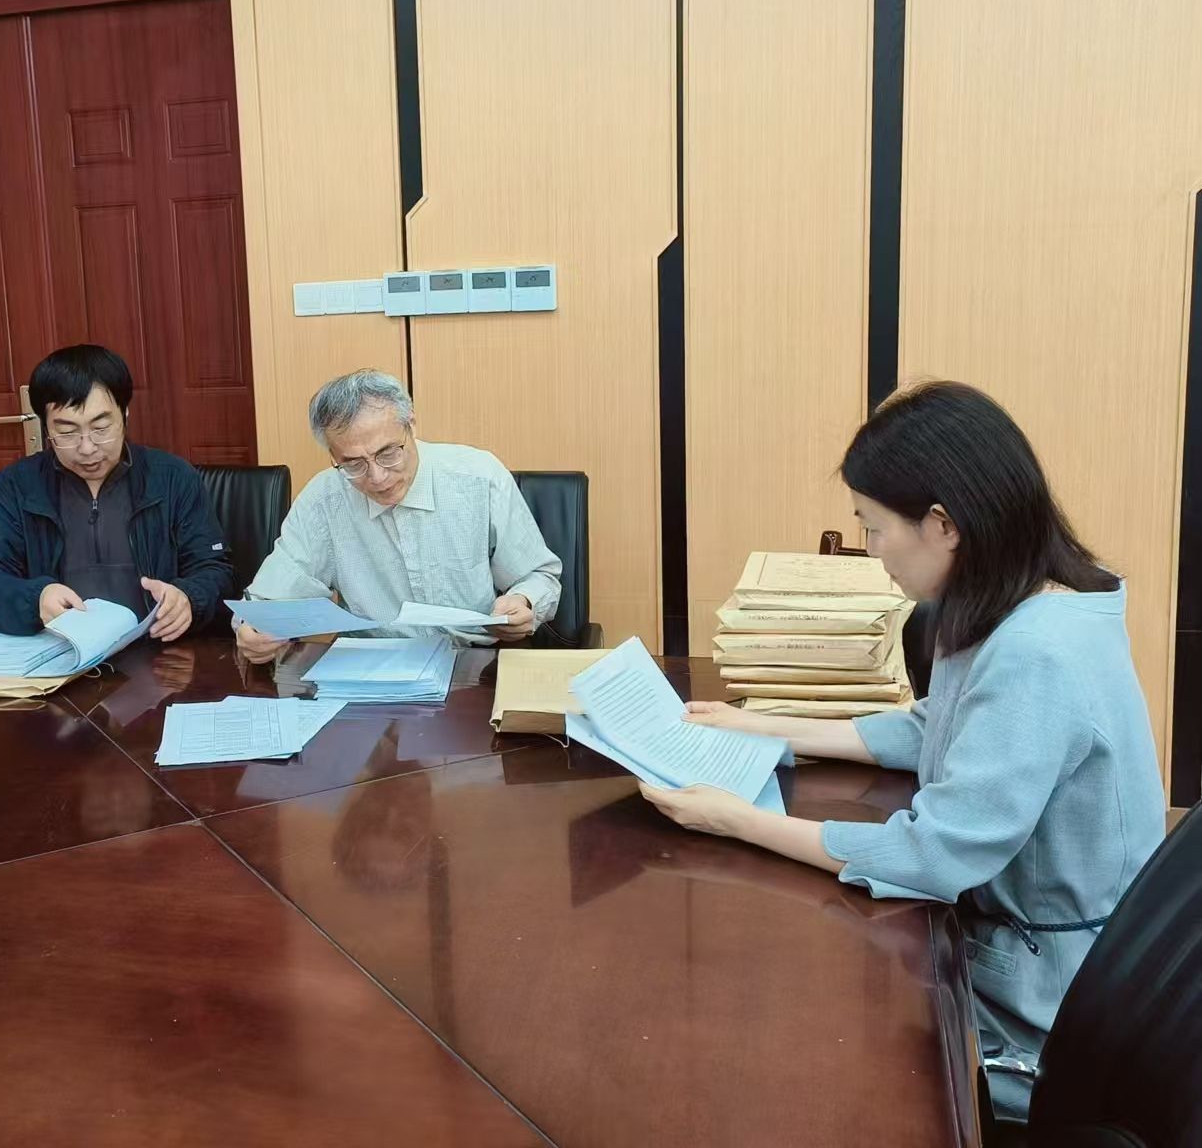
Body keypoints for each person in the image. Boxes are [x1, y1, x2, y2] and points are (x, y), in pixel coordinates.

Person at [637, 381, 1166, 1121]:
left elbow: (932, 855)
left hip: (1045, 1010)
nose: (871, 549)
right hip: (1021, 952)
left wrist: (738, 820)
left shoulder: (1038, 652)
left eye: (875, 527)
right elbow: (933, 727)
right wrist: (766, 726)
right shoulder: (1016, 600)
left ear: (943, 525)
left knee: (789, 1043)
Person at [235, 369, 562, 663]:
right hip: (372, 669)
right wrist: (253, 629)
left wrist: (524, 601)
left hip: (475, 663)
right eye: (353, 464)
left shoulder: (478, 477)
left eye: (388, 453)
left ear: (411, 425)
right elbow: (268, 600)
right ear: (333, 455)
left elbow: (538, 575)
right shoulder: (324, 499)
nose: (377, 477)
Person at [0, 344, 235, 642]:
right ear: (46, 428)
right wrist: (34, 599)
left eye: (101, 428)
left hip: (157, 652)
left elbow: (217, 572)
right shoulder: (16, 486)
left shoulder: (173, 478)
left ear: (125, 415)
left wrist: (189, 599)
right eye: (67, 432)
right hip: (60, 653)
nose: (87, 448)